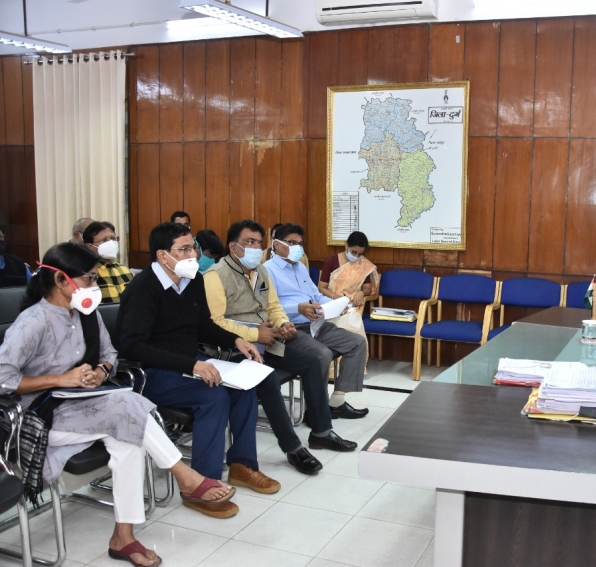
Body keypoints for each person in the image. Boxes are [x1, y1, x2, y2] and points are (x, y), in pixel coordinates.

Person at [0, 243, 237, 567]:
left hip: (85, 405)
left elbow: (109, 354)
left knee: (129, 442)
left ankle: (123, 537)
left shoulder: (86, 314)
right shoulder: (33, 322)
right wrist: (61, 378)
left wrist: (100, 372)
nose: (94, 286)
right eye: (89, 278)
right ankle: (185, 476)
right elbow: (3, 378)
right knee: (127, 405)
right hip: (42, 415)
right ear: (59, 280)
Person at [118, 222, 281, 511]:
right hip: (151, 373)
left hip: (188, 363)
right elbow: (132, 346)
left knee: (244, 388)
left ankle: (242, 465)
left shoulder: (192, 280)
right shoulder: (143, 289)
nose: (193, 254)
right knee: (213, 396)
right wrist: (192, 365)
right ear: (162, 255)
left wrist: (237, 340)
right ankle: (202, 483)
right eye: (183, 249)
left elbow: (203, 327)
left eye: (192, 247)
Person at [204, 220, 357, 474]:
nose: (255, 247)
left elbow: (273, 307)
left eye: (258, 243)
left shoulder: (260, 272)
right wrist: (255, 333)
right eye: (249, 242)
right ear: (233, 247)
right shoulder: (216, 276)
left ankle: (321, 432)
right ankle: (293, 448)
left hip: (267, 343)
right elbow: (215, 322)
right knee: (268, 378)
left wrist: (284, 324)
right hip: (234, 350)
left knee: (311, 361)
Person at [264, 223, 369, 419]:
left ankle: (336, 402)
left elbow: (316, 296)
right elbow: (267, 308)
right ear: (276, 244)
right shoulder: (266, 271)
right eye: (291, 243)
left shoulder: (300, 267)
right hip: (289, 329)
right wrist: (298, 308)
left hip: (314, 324)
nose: (297, 247)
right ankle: (315, 411)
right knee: (322, 354)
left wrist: (337, 304)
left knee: (357, 342)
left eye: (300, 244)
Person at [318, 231, 380, 369]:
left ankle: (350, 369)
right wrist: (337, 299)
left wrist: (362, 293)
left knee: (351, 323)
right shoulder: (332, 260)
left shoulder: (364, 265)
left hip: (351, 306)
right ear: (346, 246)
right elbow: (322, 287)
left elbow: (367, 288)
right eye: (354, 252)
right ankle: (329, 369)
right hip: (330, 303)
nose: (356, 256)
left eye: (360, 254)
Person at [83, 221, 133, 303]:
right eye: (104, 240)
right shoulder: (85, 273)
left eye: (113, 238)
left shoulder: (125, 270)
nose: (111, 243)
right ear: (89, 245)